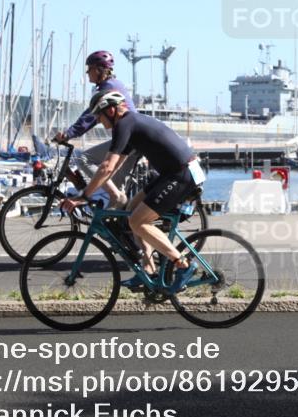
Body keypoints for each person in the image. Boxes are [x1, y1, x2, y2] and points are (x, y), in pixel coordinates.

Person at [71, 91, 205, 292]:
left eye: (99, 115)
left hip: (181, 174)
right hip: (170, 173)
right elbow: (114, 167)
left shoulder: (125, 124)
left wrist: (84, 196)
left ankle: (183, 265)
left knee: (137, 220)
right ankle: (148, 271)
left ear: (111, 110)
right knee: (130, 213)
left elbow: (107, 166)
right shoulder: (129, 124)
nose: (98, 121)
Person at [52, 51, 136, 208]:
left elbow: (91, 115)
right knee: (117, 190)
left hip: (128, 139)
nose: (87, 72)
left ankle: (115, 198)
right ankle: (123, 227)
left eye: (89, 68)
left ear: (99, 70)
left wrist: (68, 134)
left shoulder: (109, 88)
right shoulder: (112, 85)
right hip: (131, 140)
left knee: (84, 159)